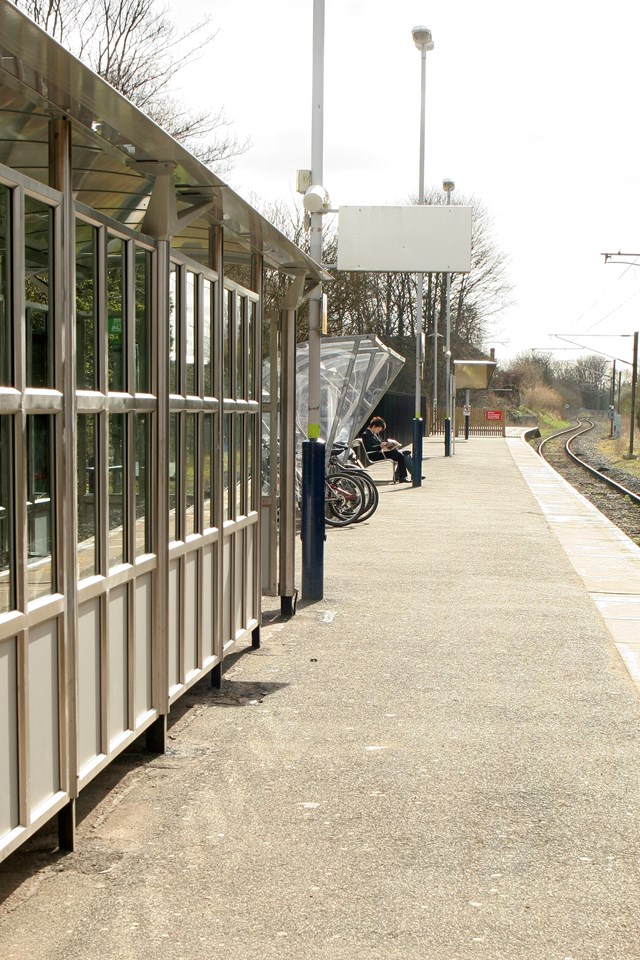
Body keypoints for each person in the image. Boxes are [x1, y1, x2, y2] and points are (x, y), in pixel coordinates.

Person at [362, 416, 417, 482]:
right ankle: (403, 477)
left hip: (380, 452)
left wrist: (388, 445)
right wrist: (380, 446)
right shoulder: (366, 434)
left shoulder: (374, 434)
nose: (378, 431)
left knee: (405, 454)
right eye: (378, 429)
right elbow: (369, 449)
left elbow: (380, 443)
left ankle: (402, 476)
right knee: (400, 455)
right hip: (375, 454)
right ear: (374, 426)